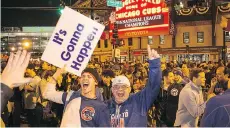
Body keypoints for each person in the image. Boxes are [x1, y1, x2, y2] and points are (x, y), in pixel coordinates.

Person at [108, 45, 162, 127]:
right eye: (116, 87)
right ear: (112, 90)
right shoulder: (104, 107)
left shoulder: (139, 101)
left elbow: (153, 87)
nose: (120, 90)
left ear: (129, 89)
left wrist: (154, 65)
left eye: (123, 87)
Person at [42, 67, 111, 127]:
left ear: (96, 82)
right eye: (83, 76)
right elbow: (47, 94)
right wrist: (57, 73)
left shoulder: (101, 106)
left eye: (89, 77)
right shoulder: (70, 96)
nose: (85, 78)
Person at [1, 50, 31, 126]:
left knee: (12, 118)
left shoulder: (5, 77)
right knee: (12, 117)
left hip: (10, 102)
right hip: (11, 101)